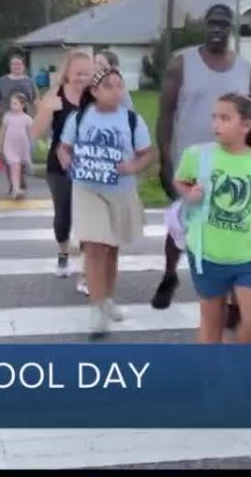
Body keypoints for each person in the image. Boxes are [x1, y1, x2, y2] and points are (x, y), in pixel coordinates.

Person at [152, 3, 251, 317]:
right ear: (205, 26)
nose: (217, 30)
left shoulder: (245, 69)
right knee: (179, 224)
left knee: (227, 228)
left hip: (231, 164)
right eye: (212, 24)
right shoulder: (182, 63)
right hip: (189, 161)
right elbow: (165, 113)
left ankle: (229, 300)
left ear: (231, 28)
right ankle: (170, 274)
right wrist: (164, 159)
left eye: (223, 25)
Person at [174, 93, 251, 343]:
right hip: (207, 254)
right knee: (212, 319)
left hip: (250, 257)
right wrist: (189, 193)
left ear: (246, 125)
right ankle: (212, 378)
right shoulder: (198, 155)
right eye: (214, 117)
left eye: (225, 118)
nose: (216, 124)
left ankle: (230, 360)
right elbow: (180, 181)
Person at [58, 66, 155, 336]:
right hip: (87, 189)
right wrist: (67, 161)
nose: (116, 91)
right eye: (109, 86)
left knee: (111, 248)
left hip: (120, 190)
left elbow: (147, 153)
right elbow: (64, 147)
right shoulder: (79, 118)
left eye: (119, 85)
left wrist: (132, 167)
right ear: (95, 91)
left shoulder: (132, 120)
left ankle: (106, 298)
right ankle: (96, 310)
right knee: (94, 246)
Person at [33, 51, 95, 290]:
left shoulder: (96, 96)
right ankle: (63, 254)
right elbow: (35, 133)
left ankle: (87, 275)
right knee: (64, 217)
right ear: (67, 73)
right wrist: (47, 110)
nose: (82, 78)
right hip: (59, 168)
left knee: (88, 220)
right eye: (78, 73)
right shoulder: (55, 95)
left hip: (90, 168)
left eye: (87, 73)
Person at [0, 53, 38, 195]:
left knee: (23, 152)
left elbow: (35, 100)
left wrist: (40, 118)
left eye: (19, 64)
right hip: (6, 120)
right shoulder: (2, 81)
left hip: (23, 123)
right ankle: (13, 182)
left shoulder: (29, 82)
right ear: (10, 66)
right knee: (7, 154)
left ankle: (20, 178)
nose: (16, 66)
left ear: (23, 66)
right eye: (13, 64)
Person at [0, 92, 34, 200]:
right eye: (11, 103)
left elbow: (30, 133)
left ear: (22, 105)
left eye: (15, 103)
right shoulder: (8, 117)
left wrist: (32, 144)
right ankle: (16, 189)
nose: (12, 106)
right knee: (15, 166)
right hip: (10, 145)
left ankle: (17, 188)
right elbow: (2, 132)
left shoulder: (27, 118)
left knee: (18, 167)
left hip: (22, 146)